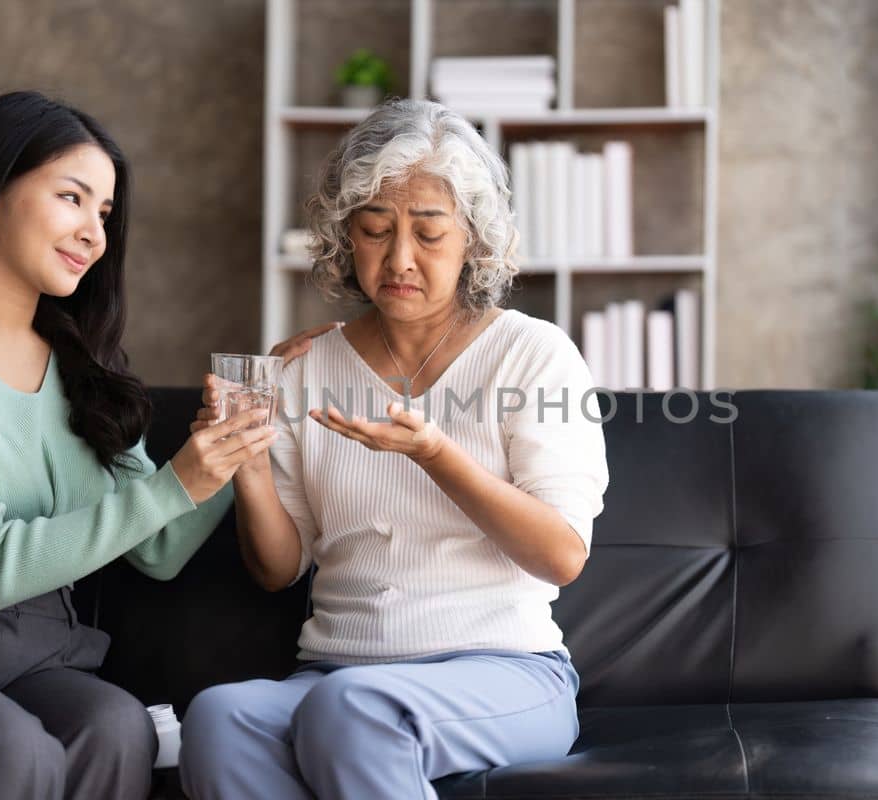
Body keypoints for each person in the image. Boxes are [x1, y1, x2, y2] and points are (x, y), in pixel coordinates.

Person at [0, 90, 331, 800]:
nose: (95, 234)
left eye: (104, 214)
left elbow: (157, 550)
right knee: (8, 749)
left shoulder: (80, 362)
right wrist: (179, 481)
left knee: (116, 725)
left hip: (34, 649)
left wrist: (230, 439)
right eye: (72, 198)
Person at [178, 98, 610, 800]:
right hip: (335, 673)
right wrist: (248, 463)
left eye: (429, 234)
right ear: (346, 238)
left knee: (352, 712)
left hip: (504, 669)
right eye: (375, 230)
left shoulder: (532, 355)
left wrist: (435, 453)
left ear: (473, 238)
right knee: (221, 716)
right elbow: (278, 569)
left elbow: (562, 555)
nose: (399, 258)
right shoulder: (306, 369)